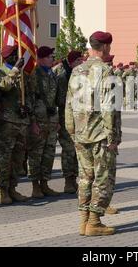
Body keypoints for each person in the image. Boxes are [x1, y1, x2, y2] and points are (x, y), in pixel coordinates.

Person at [66, 31, 120, 236]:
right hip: (100, 135)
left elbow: (68, 103)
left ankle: (84, 221)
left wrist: (71, 129)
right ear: (105, 47)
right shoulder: (105, 71)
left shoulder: (77, 70)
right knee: (102, 178)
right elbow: (108, 107)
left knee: (85, 177)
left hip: (80, 133)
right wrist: (112, 137)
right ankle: (95, 221)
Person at [0, 45, 32, 205]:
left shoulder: (22, 74)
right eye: (14, 54)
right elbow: (4, 86)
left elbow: (27, 93)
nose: (17, 56)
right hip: (6, 122)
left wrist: (27, 107)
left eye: (17, 54)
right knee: (5, 157)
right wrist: (15, 70)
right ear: (6, 57)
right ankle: (3, 190)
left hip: (21, 120)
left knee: (18, 157)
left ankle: (13, 188)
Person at [28, 46, 62, 198]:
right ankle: (35, 186)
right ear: (40, 58)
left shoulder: (52, 75)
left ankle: (45, 184)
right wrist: (33, 122)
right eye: (49, 57)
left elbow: (55, 99)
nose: (52, 59)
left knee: (49, 153)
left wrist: (57, 120)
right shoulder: (35, 75)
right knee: (36, 153)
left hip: (51, 119)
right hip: (39, 119)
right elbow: (31, 99)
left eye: (52, 57)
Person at [57, 50, 84, 194]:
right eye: (78, 60)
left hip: (80, 118)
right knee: (68, 150)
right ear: (72, 62)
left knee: (77, 150)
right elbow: (61, 100)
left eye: (82, 60)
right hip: (66, 117)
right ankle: (68, 180)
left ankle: (75, 178)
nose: (81, 63)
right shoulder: (64, 77)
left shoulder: (81, 77)